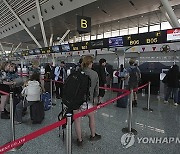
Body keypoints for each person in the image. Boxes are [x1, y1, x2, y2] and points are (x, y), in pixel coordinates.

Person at [74, 55, 101, 146]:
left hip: (77, 101)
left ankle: (80, 140)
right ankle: (93, 135)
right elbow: (96, 89)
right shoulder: (94, 74)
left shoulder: (78, 72)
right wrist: (96, 98)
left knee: (77, 120)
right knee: (91, 117)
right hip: (88, 101)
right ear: (90, 63)